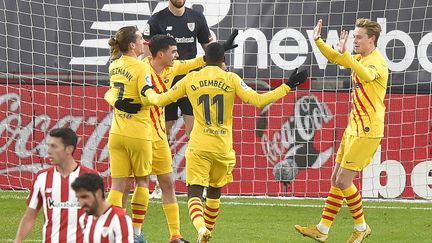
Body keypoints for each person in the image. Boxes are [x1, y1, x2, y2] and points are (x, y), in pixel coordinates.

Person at [142, 42, 308, 243]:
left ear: (205, 59)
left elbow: (160, 101)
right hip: (222, 148)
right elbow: (259, 101)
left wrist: (147, 90)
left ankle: (201, 228)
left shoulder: (191, 78)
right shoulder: (231, 79)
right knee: (214, 192)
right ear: (223, 61)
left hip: (199, 145)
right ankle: (204, 236)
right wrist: (287, 85)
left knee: (194, 191)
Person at [294, 18, 388, 243]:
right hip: (353, 127)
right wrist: (318, 40)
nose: (355, 40)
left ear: (371, 39)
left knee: (344, 181)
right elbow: (337, 57)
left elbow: (366, 76)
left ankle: (361, 227)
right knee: (336, 179)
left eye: (358, 37)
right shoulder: (359, 58)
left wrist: (347, 57)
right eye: (354, 36)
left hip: (367, 130)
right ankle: (322, 230)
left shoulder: (377, 62)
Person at [143, 0, 215, 200]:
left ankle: (199, 185)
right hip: (165, 86)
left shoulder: (197, 17)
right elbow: (148, 54)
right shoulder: (157, 20)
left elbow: (208, 46)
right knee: (162, 134)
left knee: (196, 134)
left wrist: (217, 64)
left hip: (191, 84)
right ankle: (160, 185)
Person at [104, 25, 153, 243]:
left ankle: (110, 231)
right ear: (132, 45)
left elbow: (112, 94)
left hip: (117, 133)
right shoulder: (142, 67)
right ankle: (136, 233)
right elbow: (145, 97)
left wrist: (118, 103)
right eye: (141, 39)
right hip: (139, 133)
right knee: (142, 183)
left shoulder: (114, 65)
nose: (145, 42)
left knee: (117, 186)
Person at [14, 128, 97, 243]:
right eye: (49, 146)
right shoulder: (42, 177)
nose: (48, 151)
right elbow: (30, 216)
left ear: (69, 149)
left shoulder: (91, 177)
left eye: (54, 146)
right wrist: (17, 241)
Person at [72, 173, 133, 243]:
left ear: (98, 193)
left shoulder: (120, 219)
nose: (82, 203)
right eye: (78, 198)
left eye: (85, 197)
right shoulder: (84, 219)